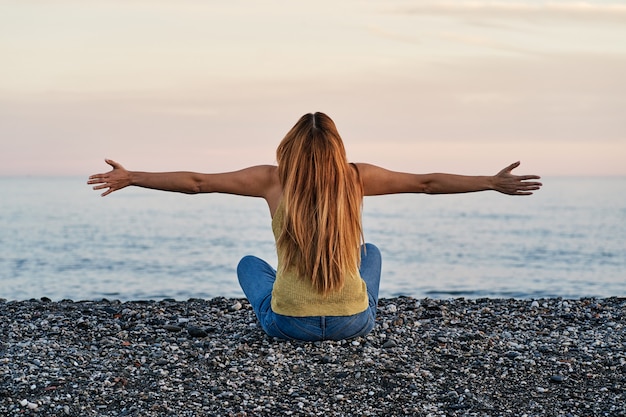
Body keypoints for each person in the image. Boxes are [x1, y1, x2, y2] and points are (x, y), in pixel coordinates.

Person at [88, 112, 542, 341]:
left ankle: (296, 306)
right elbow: (426, 183)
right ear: (337, 149)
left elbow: (197, 183)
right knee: (370, 254)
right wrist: (491, 182)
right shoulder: (357, 178)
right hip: (354, 324)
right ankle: (348, 307)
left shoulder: (271, 179)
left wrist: (132, 177)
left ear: (289, 148)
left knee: (250, 263)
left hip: (287, 326)